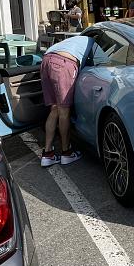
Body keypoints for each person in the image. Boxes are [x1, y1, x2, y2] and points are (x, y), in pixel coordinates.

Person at [40, 35, 93, 167]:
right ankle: (66, 152)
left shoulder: (76, 39)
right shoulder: (93, 43)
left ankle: (48, 154)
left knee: (54, 109)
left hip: (46, 60)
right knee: (64, 111)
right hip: (63, 63)